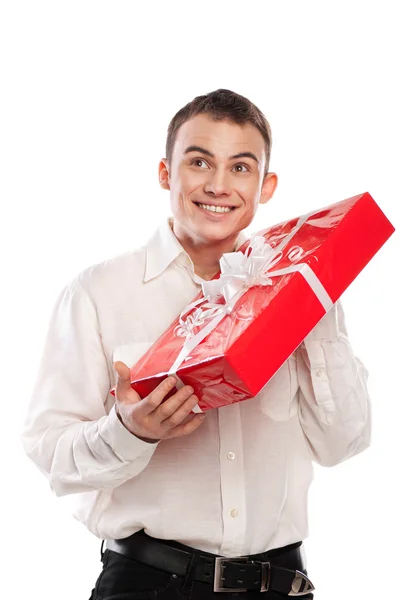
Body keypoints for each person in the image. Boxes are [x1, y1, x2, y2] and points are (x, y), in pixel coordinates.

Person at [21, 89, 371, 599]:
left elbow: (344, 445)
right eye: (200, 161)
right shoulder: (98, 293)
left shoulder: (303, 292)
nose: (218, 185)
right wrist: (130, 432)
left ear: (266, 186)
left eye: (241, 167)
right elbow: (49, 452)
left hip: (280, 584)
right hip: (147, 583)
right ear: (166, 173)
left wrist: (314, 316)